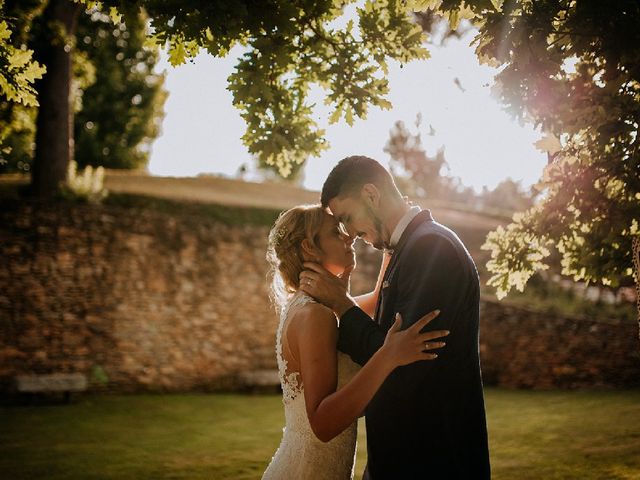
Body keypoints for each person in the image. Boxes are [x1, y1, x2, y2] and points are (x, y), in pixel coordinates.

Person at [300, 155, 491, 479]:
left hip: (434, 461)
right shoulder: (409, 249)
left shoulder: (431, 248)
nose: (350, 233)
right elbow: (391, 345)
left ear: (371, 195)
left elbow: (407, 364)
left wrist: (341, 305)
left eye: (348, 217)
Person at [262, 204, 449, 479]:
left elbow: (375, 301)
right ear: (309, 247)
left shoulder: (310, 304)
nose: (348, 237)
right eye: (334, 232)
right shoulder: (315, 314)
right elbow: (323, 424)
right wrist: (388, 356)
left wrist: (391, 232)